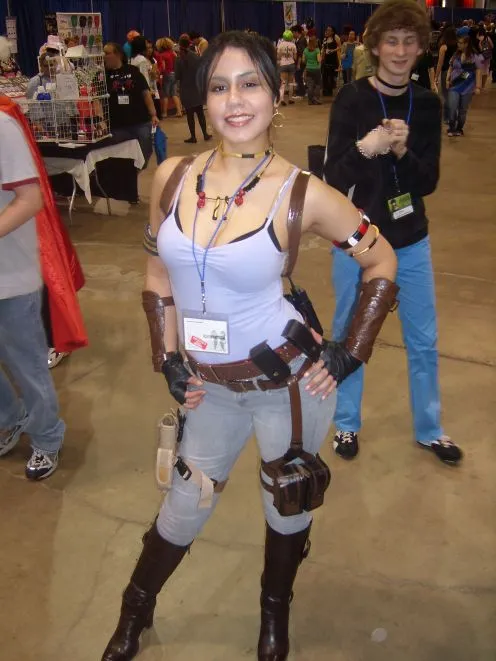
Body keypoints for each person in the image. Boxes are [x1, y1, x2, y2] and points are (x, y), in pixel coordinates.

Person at [101, 29, 397, 661]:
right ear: (203, 100)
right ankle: (134, 610)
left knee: (288, 505)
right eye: (219, 86)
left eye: (250, 83)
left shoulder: (302, 193)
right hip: (209, 386)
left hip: (288, 386)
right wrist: (167, 358)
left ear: (276, 93)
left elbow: (382, 262)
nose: (234, 100)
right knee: (185, 505)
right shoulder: (172, 178)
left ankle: (273, 616)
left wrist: (350, 351)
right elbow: (158, 277)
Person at [324, 0, 463, 465]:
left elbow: (428, 182)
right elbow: (332, 176)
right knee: (351, 334)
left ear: (421, 47)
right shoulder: (352, 99)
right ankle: (346, 422)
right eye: (391, 41)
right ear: (376, 46)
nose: (400, 51)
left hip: (411, 240)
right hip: (357, 240)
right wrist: (367, 147)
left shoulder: (427, 104)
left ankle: (430, 428)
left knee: (423, 340)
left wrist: (403, 151)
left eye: (409, 41)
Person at [0, 94, 86, 479]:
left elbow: (30, 198)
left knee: (27, 364)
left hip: (10, 277)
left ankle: (47, 436)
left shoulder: (3, 127)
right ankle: (9, 418)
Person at [103, 42, 159, 167]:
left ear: (117, 54)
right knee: (119, 157)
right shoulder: (102, 75)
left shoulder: (133, 70)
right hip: (116, 125)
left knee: (146, 149)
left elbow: (145, 93)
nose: (104, 56)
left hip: (139, 121)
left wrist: (153, 114)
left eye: (107, 53)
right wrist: (101, 120)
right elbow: (97, 99)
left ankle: (138, 169)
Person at [175, 35, 212, 143]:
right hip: (196, 88)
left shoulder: (178, 59)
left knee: (190, 115)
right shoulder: (196, 57)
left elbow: (177, 76)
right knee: (200, 113)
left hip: (185, 90)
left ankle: (193, 137)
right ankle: (205, 134)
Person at [446, 35, 482, 137]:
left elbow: (478, 71)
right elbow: (450, 67)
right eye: (458, 42)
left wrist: (478, 86)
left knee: (463, 110)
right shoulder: (455, 55)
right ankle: (451, 128)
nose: (458, 45)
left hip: (468, 87)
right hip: (455, 85)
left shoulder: (474, 56)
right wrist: (447, 80)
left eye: (461, 43)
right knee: (452, 108)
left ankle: (459, 128)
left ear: (466, 44)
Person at [435, 26, 458, 123]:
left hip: (445, 72)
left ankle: (448, 117)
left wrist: (436, 76)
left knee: (446, 95)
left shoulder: (443, 47)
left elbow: (440, 63)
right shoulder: (458, 46)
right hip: (457, 72)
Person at [156, 37, 183, 118]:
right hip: (175, 74)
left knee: (165, 95)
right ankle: (179, 111)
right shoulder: (173, 53)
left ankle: (164, 113)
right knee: (175, 93)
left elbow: (163, 67)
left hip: (167, 75)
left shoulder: (162, 55)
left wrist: (159, 72)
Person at [277, 30, 297, 105]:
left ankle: (282, 99)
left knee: (283, 82)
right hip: (291, 63)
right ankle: (290, 99)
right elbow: (295, 57)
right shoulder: (293, 45)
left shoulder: (280, 45)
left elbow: (278, 56)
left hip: (283, 64)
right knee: (291, 82)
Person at [321, 26, 341, 95]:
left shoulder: (336, 37)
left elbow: (340, 47)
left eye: (329, 30)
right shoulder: (325, 39)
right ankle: (325, 89)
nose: (327, 31)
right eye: (327, 30)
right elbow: (323, 49)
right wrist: (322, 58)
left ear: (332, 32)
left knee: (331, 75)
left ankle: (330, 90)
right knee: (325, 75)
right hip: (326, 59)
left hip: (333, 59)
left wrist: (333, 50)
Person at [303, 36, 322, 105]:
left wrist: (308, 63)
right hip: (316, 69)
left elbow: (303, 60)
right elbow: (319, 60)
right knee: (317, 85)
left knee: (310, 86)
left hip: (308, 69)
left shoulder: (305, 50)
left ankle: (310, 100)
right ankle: (316, 99)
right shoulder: (317, 50)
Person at [291, 24, 307, 97]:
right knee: (298, 77)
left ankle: (302, 93)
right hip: (299, 61)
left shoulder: (301, 40)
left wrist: (298, 64)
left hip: (300, 62)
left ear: (296, 32)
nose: (292, 35)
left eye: (293, 33)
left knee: (298, 76)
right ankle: (301, 92)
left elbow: (301, 53)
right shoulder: (299, 40)